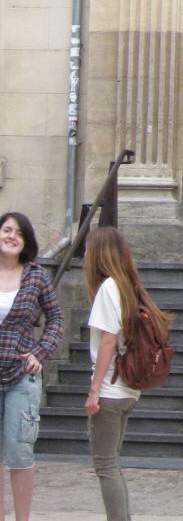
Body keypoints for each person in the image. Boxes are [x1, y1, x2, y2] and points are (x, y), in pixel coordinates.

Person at [83, 226, 171, 521]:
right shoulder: (128, 286)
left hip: (110, 389)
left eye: (87, 250)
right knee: (112, 464)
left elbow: (108, 341)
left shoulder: (109, 288)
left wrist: (94, 390)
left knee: (105, 466)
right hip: (127, 390)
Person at [0, 212, 62, 521]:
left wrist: (40, 352)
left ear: (25, 242)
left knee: (19, 452)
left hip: (20, 375)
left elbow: (56, 319)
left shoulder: (36, 276)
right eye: (7, 230)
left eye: (19, 233)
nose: (11, 236)